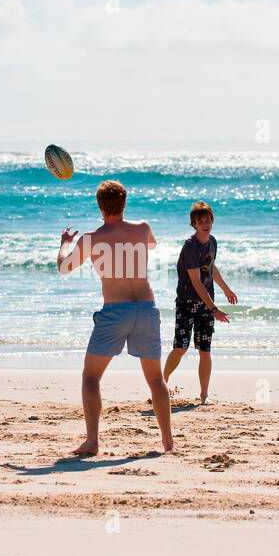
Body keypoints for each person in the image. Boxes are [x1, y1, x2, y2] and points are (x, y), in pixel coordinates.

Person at [57, 180, 173, 455]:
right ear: (124, 203)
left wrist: (64, 244)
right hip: (146, 308)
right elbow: (152, 245)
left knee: (91, 376)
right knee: (156, 379)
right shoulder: (143, 228)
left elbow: (64, 267)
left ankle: (92, 441)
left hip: (115, 311)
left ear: (99, 206)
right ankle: (168, 443)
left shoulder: (90, 239)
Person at [162, 201, 238, 404]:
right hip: (187, 303)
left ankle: (204, 396)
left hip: (207, 302)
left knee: (205, 350)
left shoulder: (212, 241)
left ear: (212, 220)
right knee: (181, 348)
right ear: (193, 224)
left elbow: (211, 267)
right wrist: (214, 309)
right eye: (201, 221)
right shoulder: (189, 247)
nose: (206, 224)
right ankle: (161, 384)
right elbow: (195, 281)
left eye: (208, 220)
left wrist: (225, 288)